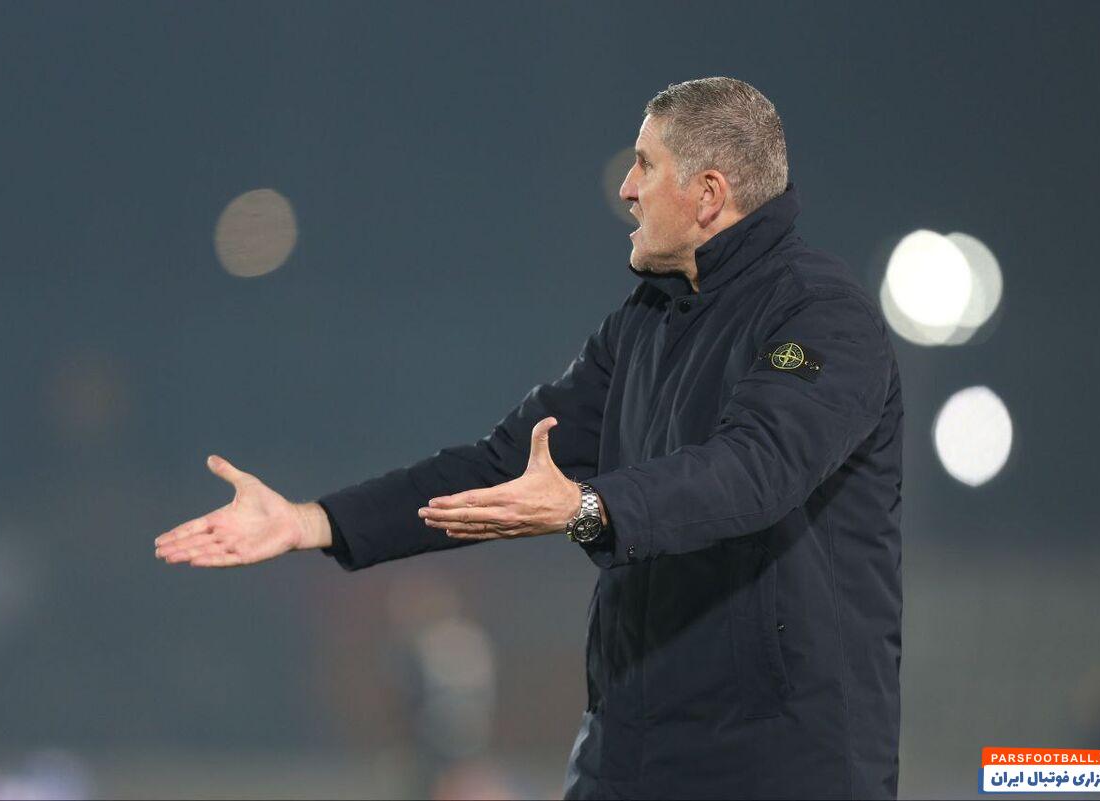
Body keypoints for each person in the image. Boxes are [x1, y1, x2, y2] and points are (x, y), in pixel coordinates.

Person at [154, 77, 904, 800]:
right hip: (629, 758)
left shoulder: (822, 314)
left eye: (645, 165)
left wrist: (588, 506)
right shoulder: (644, 322)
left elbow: (753, 470)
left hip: (776, 764)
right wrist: (314, 521)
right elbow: (498, 465)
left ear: (708, 194)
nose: (627, 189)